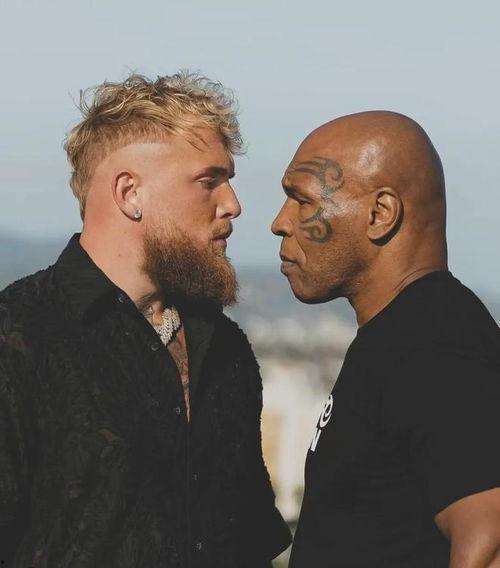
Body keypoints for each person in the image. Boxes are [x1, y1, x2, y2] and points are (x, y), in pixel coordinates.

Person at [0, 72, 291, 568]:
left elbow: (249, 540)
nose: (233, 205)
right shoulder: (19, 338)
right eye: (209, 181)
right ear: (130, 192)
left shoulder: (225, 349)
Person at [271, 111, 500, 567]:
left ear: (380, 214)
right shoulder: (400, 336)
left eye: (302, 200)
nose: (280, 222)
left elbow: (491, 543)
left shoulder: (437, 342)